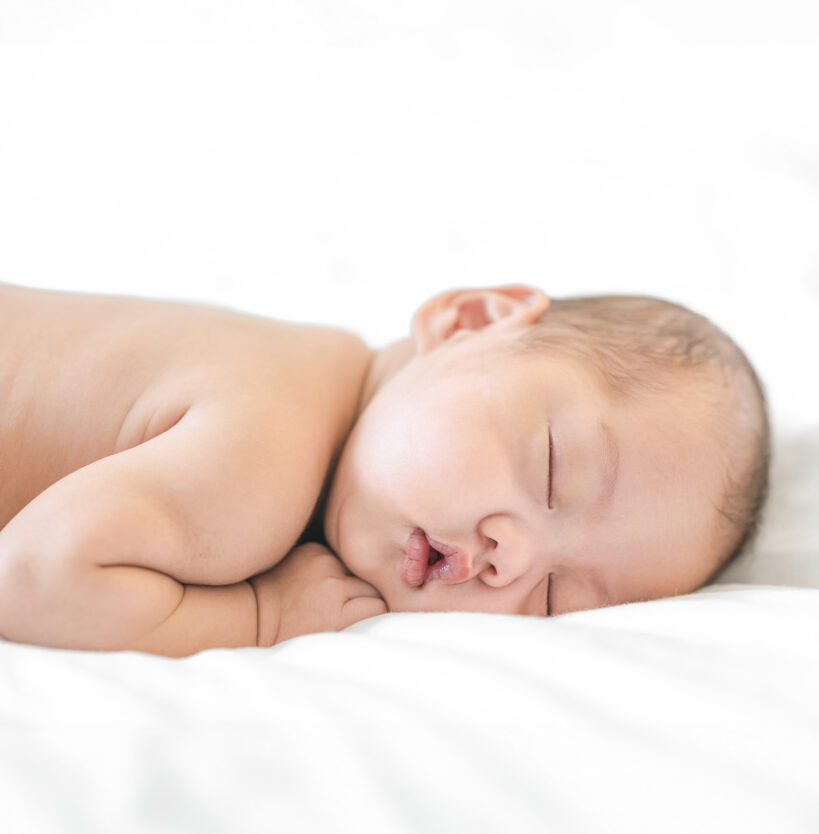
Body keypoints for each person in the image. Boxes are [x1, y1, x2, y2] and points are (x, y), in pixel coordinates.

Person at [0, 281, 770, 657]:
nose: (514, 558)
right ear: (469, 322)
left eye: (553, 597)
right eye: (549, 472)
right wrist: (263, 618)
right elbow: (37, 577)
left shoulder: (312, 378)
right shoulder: (264, 456)